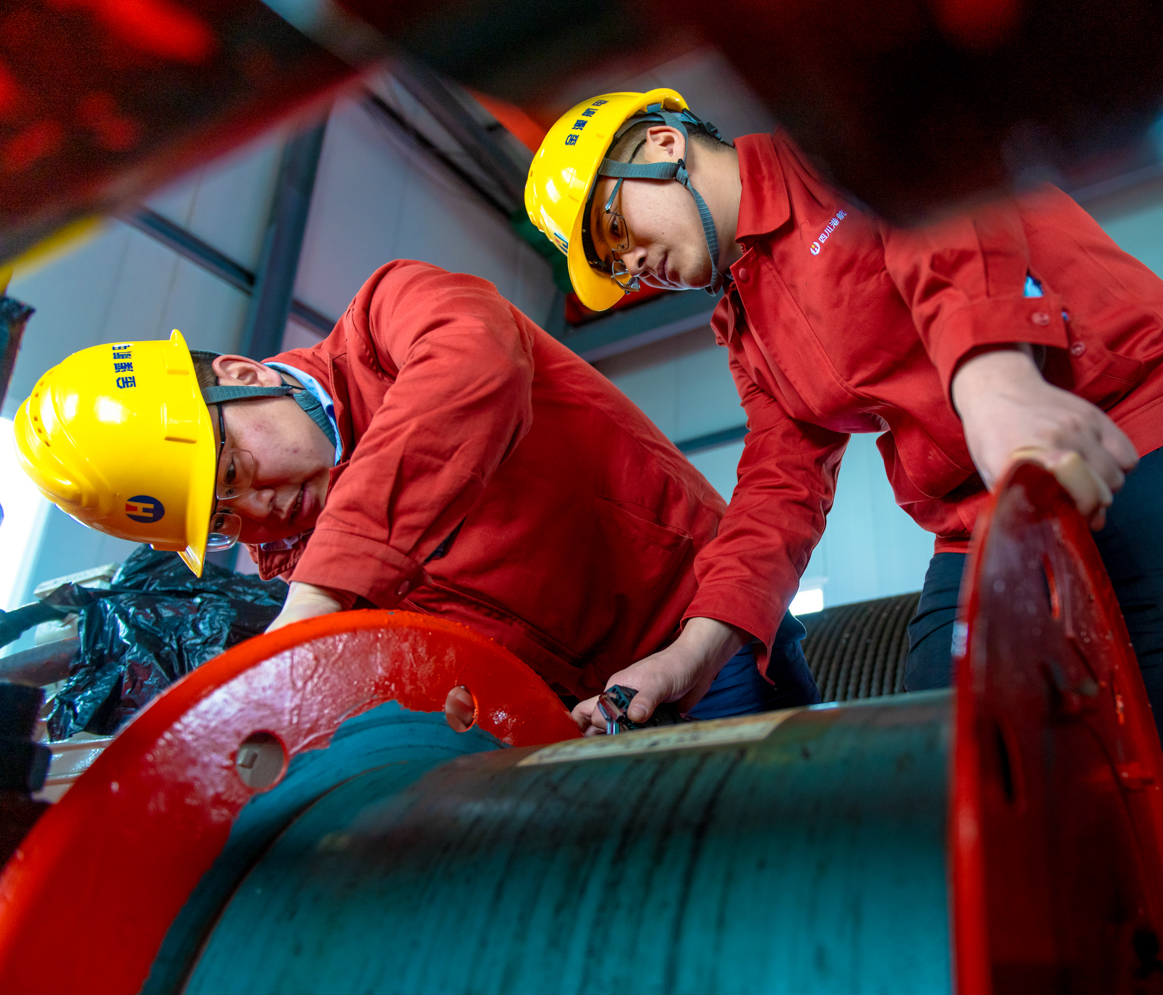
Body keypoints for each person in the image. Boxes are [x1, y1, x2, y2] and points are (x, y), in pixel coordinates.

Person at [523, 90, 1163, 992]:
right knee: (951, 783)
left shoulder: (834, 143)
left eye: (615, 230)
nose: (632, 267)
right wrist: (690, 655)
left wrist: (994, 378)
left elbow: (942, 224)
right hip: (980, 515)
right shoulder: (745, 319)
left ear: (662, 144)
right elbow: (778, 482)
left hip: (1134, 429)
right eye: (612, 267)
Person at [13, 259, 819, 731]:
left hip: (705, 634)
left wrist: (324, 592)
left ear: (243, 376)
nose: (257, 511)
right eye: (222, 519)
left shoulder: (391, 316)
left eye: (229, 474)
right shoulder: (295, 566)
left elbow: (474, 366)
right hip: (587, 717)